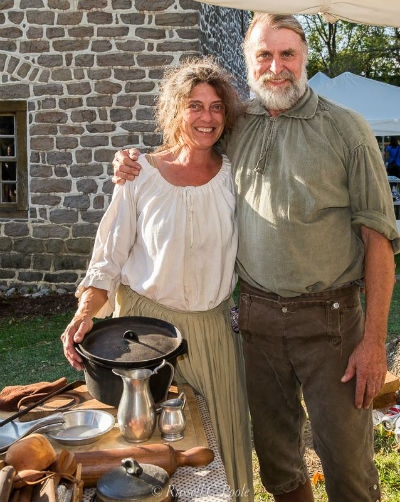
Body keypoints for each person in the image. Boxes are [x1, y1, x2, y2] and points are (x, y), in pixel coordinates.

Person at [112, 13, 400, 502]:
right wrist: (134, 159)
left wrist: (374, 342)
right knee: (278, 464)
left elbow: (379, 242)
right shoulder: (237, 124)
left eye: (287, 54)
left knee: (348, 468)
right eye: (263, 55)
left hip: (330, 323)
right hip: (259, 321)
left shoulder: (347, 129)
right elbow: (190, 144)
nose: (276, 67)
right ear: (248, 64)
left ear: (304, 56)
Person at [61, 58, 253, 502]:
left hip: (213, 334)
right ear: (173, 111)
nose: (207, 117)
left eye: (217, 107)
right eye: (194, 106)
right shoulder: (138, 173)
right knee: (143, 456)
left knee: (213, 457)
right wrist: (84, 314)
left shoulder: (235, 177)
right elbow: (107, 258)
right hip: (143, 334)